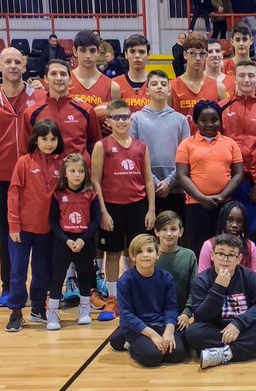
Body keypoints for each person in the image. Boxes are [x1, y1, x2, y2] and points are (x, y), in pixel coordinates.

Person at [0, 48, 49, 305]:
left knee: (40, 233)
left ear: (25, 66)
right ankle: (10, 287)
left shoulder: (39, 96)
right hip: (2, 179)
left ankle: (42, 288)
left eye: (18, 61)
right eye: (8, 61)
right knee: (8, 234)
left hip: (37, 176)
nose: (13, 65)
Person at [92, 99, 157, 321]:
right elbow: (95, 181)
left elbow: (148, 179)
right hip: (112, 207)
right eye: (116, 117)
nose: (121, 121)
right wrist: (102, 212)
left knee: (137, 253)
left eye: (125, 117)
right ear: (108, 120)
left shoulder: (141, 146)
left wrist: (151, 210)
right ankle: (112, 298)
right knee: (113, 253)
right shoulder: (102, 145)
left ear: (131, 119)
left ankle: (135, 294)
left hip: (137, 206)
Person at [4, 120, 64, 332]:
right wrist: (14, 225)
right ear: (35, 140)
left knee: (42, 272)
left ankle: (38, 308)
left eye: (53, 139)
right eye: (44, 139)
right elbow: (13, 193)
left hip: (47, 230)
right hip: (23, 229)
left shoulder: (61, 165)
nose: (49, 143)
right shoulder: (24, 162)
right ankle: (16, 311)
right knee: (18, 271)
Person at [188, 233, 256, 369]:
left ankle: (223, 353)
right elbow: (200, 316)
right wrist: (218, 287)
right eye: (221, 254)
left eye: (231, 255)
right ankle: (253, 349)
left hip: (243, 328)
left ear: (239, 258)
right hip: (216, 329)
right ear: (212, 255)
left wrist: (238, 324)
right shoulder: (200, 280)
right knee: (193, 332)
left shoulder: (250, 276)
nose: (225, 259)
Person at [176, 100, 245, 253]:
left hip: (225, 206)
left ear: (220, 120)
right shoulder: (186, 144)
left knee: (225, 248)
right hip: (195, 205)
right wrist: (201, 198)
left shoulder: (230, 143)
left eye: (214, 120)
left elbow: (239, 174)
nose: (209, 124)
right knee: (198, 249)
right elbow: (182, 176)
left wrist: (222, 196)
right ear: (196, 122)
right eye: (203, 120)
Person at [109, 234, 187, 367]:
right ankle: (129, 344)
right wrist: (152, 335)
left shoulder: (166, 277)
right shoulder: (125, 281)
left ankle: (134, 340)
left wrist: (168, 331)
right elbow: (127, 314)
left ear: (158, 254)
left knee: (177, 354)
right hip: (138, 327)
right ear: (132, 257)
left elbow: (171, 308)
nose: (145, 255)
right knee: (152, 357)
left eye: (150, 250)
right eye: (139, 251)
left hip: (160, 323)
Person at [221, 59, 256, 230]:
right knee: (228, 230)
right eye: (242, 75)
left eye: (251, 76)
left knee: (253, 231)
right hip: (228, 181)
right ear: (235, 78)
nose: (246, 80)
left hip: (254, 184)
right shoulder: (222, 108)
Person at [47, 153, 100, 330]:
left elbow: (96, 220)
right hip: (63, 241)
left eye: (81, 171)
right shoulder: (58, 194)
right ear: (65, 173)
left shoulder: (91, 194)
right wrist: (65, 240)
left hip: (84, 241)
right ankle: (53, 312)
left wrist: (84, 239)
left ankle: (84, 309)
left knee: (85, 274)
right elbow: (53, 221)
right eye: (72, 171)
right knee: (58, 275)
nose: (77, 174)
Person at [131, 71, 192, 219]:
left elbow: (187, 157)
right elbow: (132, 155)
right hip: (145, 189)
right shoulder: (136, 119)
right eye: (154, 84)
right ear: (147, 90)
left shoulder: (181, 120)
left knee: (173, 233)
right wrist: (154, 182)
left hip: (175, 188)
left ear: (169, 90)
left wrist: (169, 182)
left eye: (163, 84)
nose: (159, 87)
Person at [27, 59, 100, 156]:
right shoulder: (32, 112)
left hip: (78, 170)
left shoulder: (86, 110)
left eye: (63, 74)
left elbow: (96, 147)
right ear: (45, 79)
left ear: (70, 80)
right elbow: (26, 150)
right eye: (53, 74)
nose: (59, 78)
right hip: (45, 170)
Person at [153, 211, 198, 332]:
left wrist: (186, 312)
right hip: (153, 315)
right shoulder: (150, 256)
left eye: (173, 229)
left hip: (179, 316)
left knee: (179, 348)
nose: (168, 233)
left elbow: (194, 289)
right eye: (163, 229)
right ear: (156, 232)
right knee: (117, 339)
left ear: (181, 232)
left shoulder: (189, 255)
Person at [198, 201, 256, 277]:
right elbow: (202, 276)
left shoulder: (250, 246)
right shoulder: (209, 245)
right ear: (223, 220)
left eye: (239, 221)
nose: (234, 225)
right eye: (230, 220)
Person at [173, 33, 227, 117]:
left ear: (206, 55)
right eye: (192, 53)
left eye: (202, 54)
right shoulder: (172, 88)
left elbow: (224, 121)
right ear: (185, 55)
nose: (198, 58)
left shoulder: (218, 87)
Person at [68, 30, 121, 110]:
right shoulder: (65, 83)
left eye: (92, 51)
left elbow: (117, 119)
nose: (88, 56)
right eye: (83, 50)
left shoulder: (112, 87)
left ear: (98, 52)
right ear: (75, 52)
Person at [223, 24, 256, 101]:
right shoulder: (223, 66)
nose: (241, 43)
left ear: (251, 41)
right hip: (229, 110)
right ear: (232, 42)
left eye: (245, 39)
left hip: (255, 111)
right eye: (237, 40)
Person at [112, 34, 153, 113]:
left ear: (148, 55)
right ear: (126, 54)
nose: (137, 56)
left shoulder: (157, 85)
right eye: (132, 51)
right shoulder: (114, 84)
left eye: (141, 52)